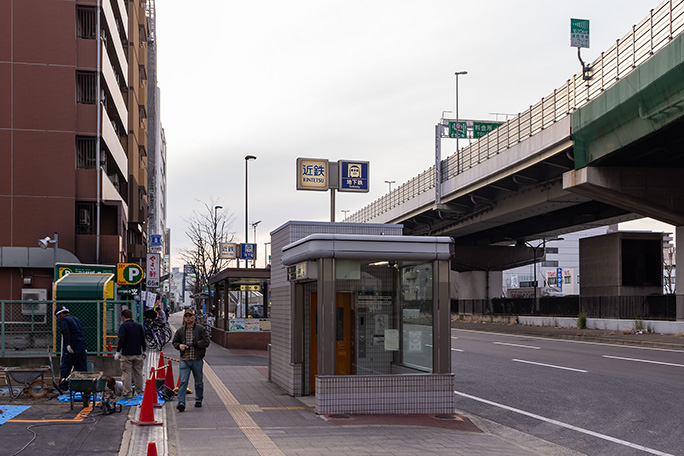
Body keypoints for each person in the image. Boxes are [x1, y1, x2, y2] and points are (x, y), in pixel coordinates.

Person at [172, 308, 210, 412]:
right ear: (184, 318)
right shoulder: (180, 331)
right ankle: (181, 402)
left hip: (197, 359)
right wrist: (179, 346)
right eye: (186, 316)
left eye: (190, 316)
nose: (188, 318)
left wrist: (195, 344)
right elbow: (174, 342)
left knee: (198, 382)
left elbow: (207, 342)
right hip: (184, 359)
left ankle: (198, 399)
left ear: (194, 317)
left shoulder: (200, 329)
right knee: (183, 381)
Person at [114, 308, 147, 397]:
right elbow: (142, 339)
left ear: (123, 317)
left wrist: (117, 351)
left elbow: (122, 339)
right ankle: (139, 391)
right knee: (138, 373)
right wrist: (144, 350)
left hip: (126, 354)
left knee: (126, 373)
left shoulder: (123, 326)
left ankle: (127, 392)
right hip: (138, 353)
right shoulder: (138, 326)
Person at [55, 306, 87, 393]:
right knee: (81, 368)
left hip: (72, 345)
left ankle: (63, 387)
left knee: (66, 366)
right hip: (81, 345)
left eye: (58, 316)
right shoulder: (75, 319)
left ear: (61, 314)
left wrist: (68, 345)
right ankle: (85, 387)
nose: (58, 318)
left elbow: (66, 332)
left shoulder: (64, 320)